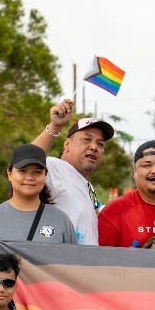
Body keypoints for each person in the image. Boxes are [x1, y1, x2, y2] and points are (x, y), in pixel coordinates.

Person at [0, 144, 81, 273]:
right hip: (2, 293)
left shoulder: (60, 220)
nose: (29, 177)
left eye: (37, 172)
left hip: (46, 293)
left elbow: (74, 269)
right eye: (22, 170)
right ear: (9, 174)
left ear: (45, 175)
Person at [34, 98, 110, 246]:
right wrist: (54, 127)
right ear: (67, 145)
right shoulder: (54, 168)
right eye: (87, 139)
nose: (94, 147)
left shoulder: (87, 186)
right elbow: (27, 161)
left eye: (100, 144)